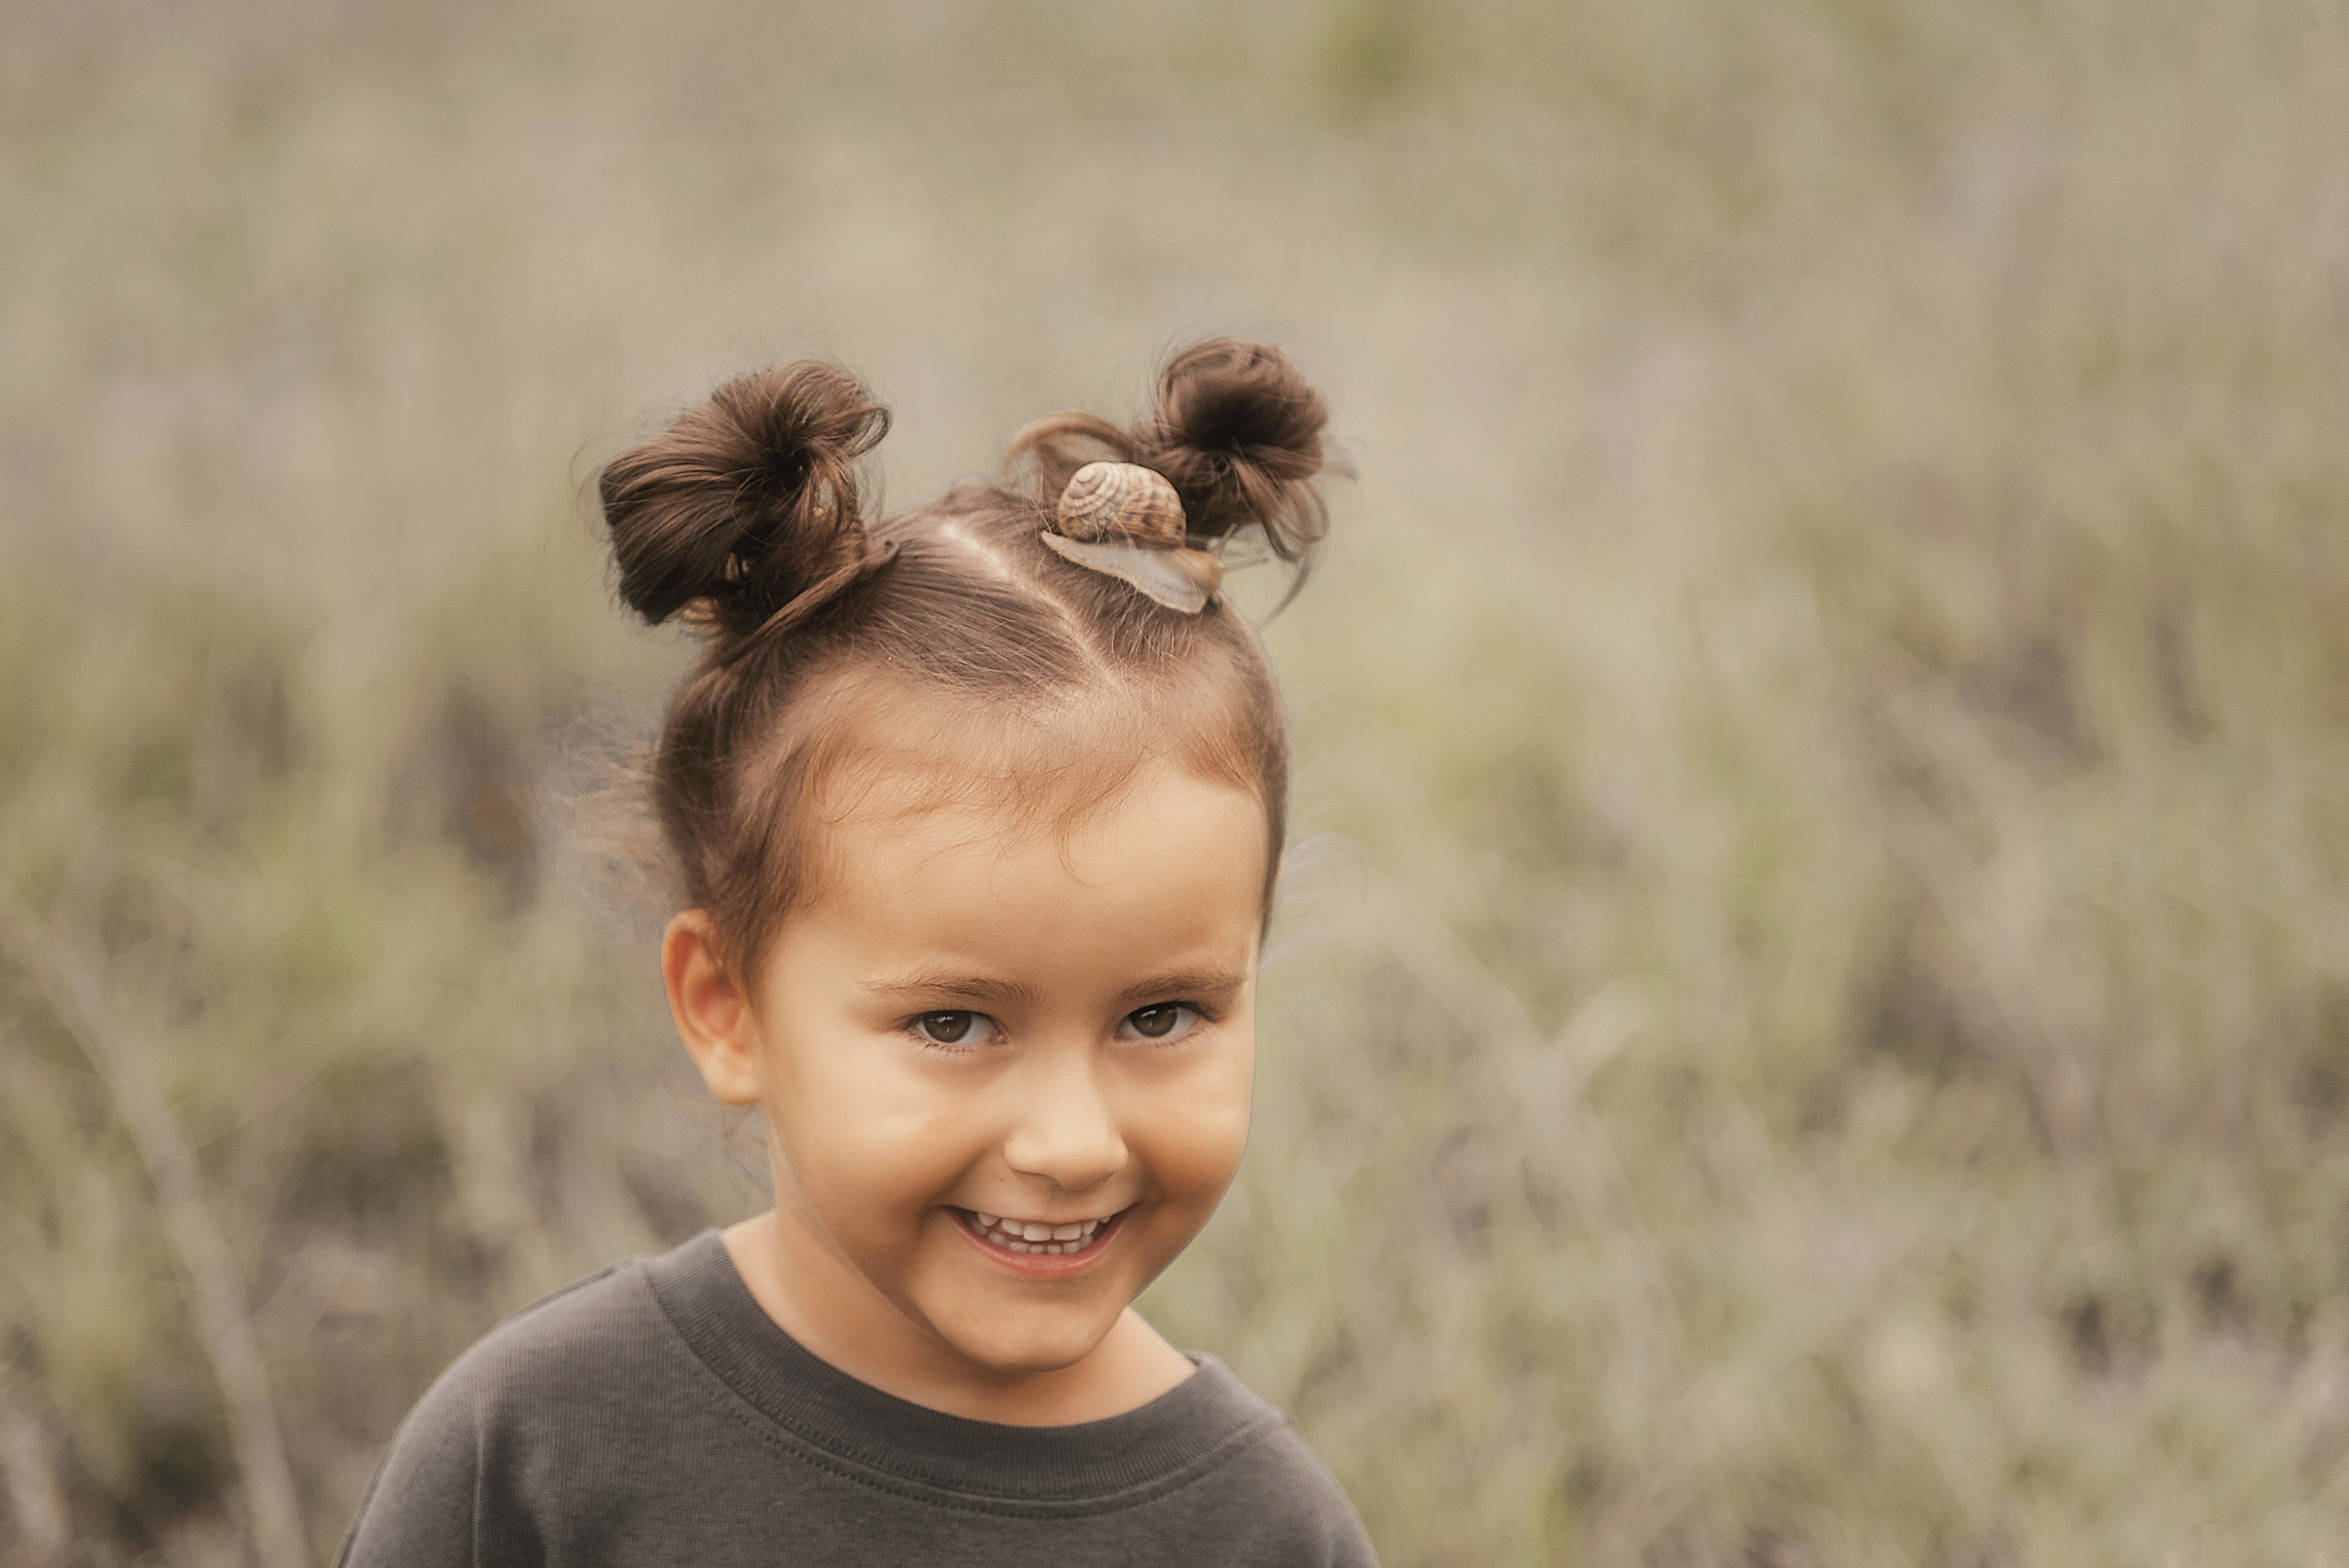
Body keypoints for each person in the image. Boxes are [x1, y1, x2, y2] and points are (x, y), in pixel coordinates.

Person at [334, 339, 1377, 1566]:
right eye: (953, 1022)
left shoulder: (1262, 1533)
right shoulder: (537, 1451)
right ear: (729, 1008)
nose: (1072, 1142)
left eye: (1161, 1016)